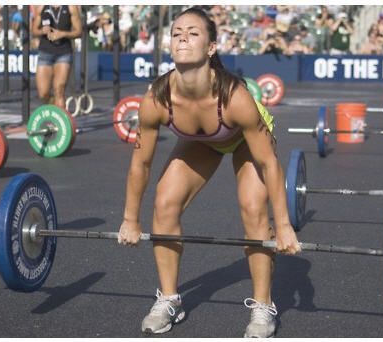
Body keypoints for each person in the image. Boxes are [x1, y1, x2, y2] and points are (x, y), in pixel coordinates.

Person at [117, 7, 300, 338]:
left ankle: (263, 307)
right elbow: (140, 163)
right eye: (176, 32)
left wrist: (284, 227)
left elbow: (270, 164)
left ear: (211, 47)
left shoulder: (236, 97)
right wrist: (131, 219)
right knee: (165, 202)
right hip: (202, 141)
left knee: (253, 209)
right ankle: (170, 300)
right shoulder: (156, 98)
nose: (182, 36)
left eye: (193, 32)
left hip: (244, 140)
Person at [32, 5, 82, 109]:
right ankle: (53, 109)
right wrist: (43, 31)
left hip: (63, 52)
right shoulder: (41, 7)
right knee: (43, 93)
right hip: (45, 52)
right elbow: (34, 30)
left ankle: (60, 122)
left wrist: (62, 34)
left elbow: (78, 31)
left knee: (59, 89)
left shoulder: (71, 7)